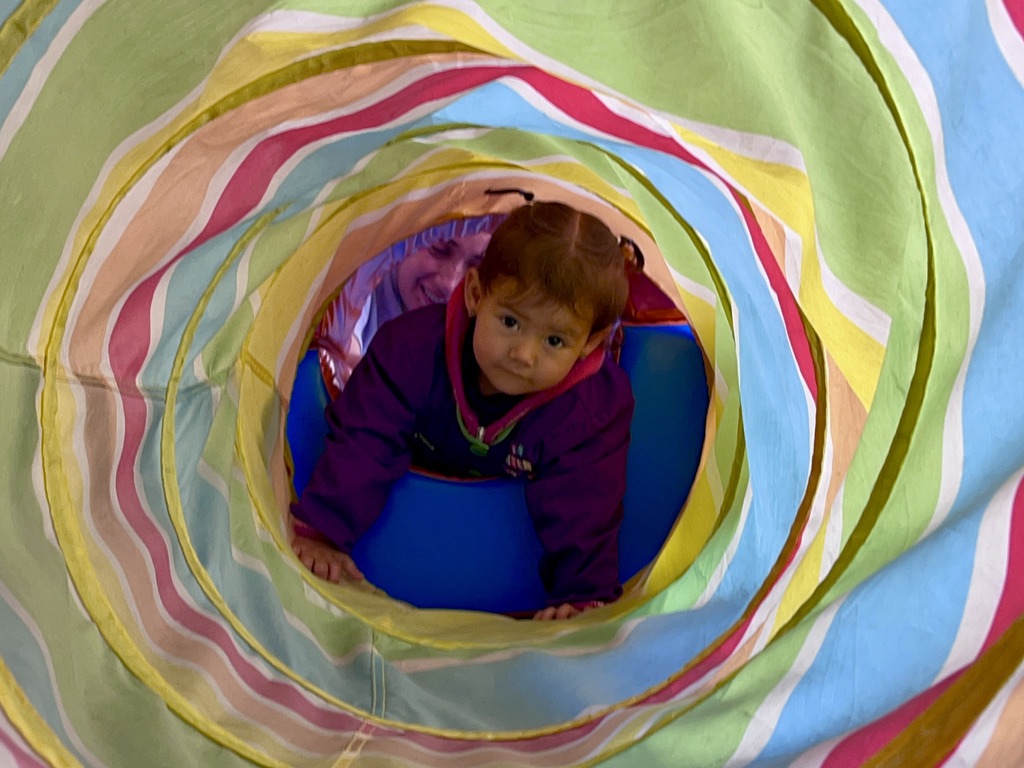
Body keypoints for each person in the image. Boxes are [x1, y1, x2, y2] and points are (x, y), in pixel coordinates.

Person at [290, 202, 636, 621]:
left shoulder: (592, 408)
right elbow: (366, 439)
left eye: (555, 342)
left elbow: (587, 501)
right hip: (403, 554)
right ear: (475, 295)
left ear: (590, 343)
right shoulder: (410, 351)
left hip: (505, 580)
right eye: (510, 321)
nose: (523, 354)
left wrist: (583, 596)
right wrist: (324, 532)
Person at [313, 214, 503, 398]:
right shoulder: (362, 283)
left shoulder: (477, 317)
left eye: (476, 266)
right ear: (405, 236)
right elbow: (341, 347)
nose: (450, 283)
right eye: (439, 249)